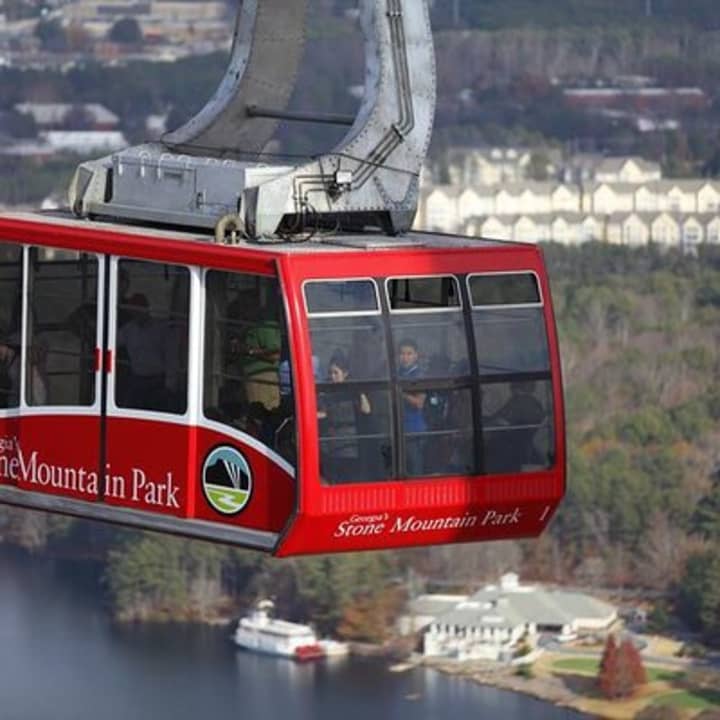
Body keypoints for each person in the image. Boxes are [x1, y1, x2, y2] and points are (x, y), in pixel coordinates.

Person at [317, 350, 371, 482]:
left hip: (350, 446)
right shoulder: (327, 393)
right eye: (331, 373)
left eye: (336, 373)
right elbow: (322, 414)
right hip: (332, 446)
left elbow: (366, 410)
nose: (333, 376)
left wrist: (360, 392)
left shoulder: (352, 391)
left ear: (345, 374)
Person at [116, 293, 170, 411]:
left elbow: (170, 355)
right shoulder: (128, 330)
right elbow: (110, 343)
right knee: (128, 414)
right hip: (137, 380)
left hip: (157, 381)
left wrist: (170, 381)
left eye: (138, 309)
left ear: (146, 309)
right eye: (133, 310)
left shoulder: (160, 328)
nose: (135, 313)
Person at [483, 381, 547, 472]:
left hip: (509, 451)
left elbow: (500, 418)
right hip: (522, 448)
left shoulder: (520, 401)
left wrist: (487, 421)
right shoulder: (534, 403)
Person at [397, 338, 426, 475]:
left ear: (416, 355)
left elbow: (419, 403)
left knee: (415, 467)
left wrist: (401, 393)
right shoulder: (399, 373)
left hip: (414, 430)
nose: (405, 357)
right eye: (402, 354)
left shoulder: (418, 375)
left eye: (409, 354)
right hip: (400, 428)